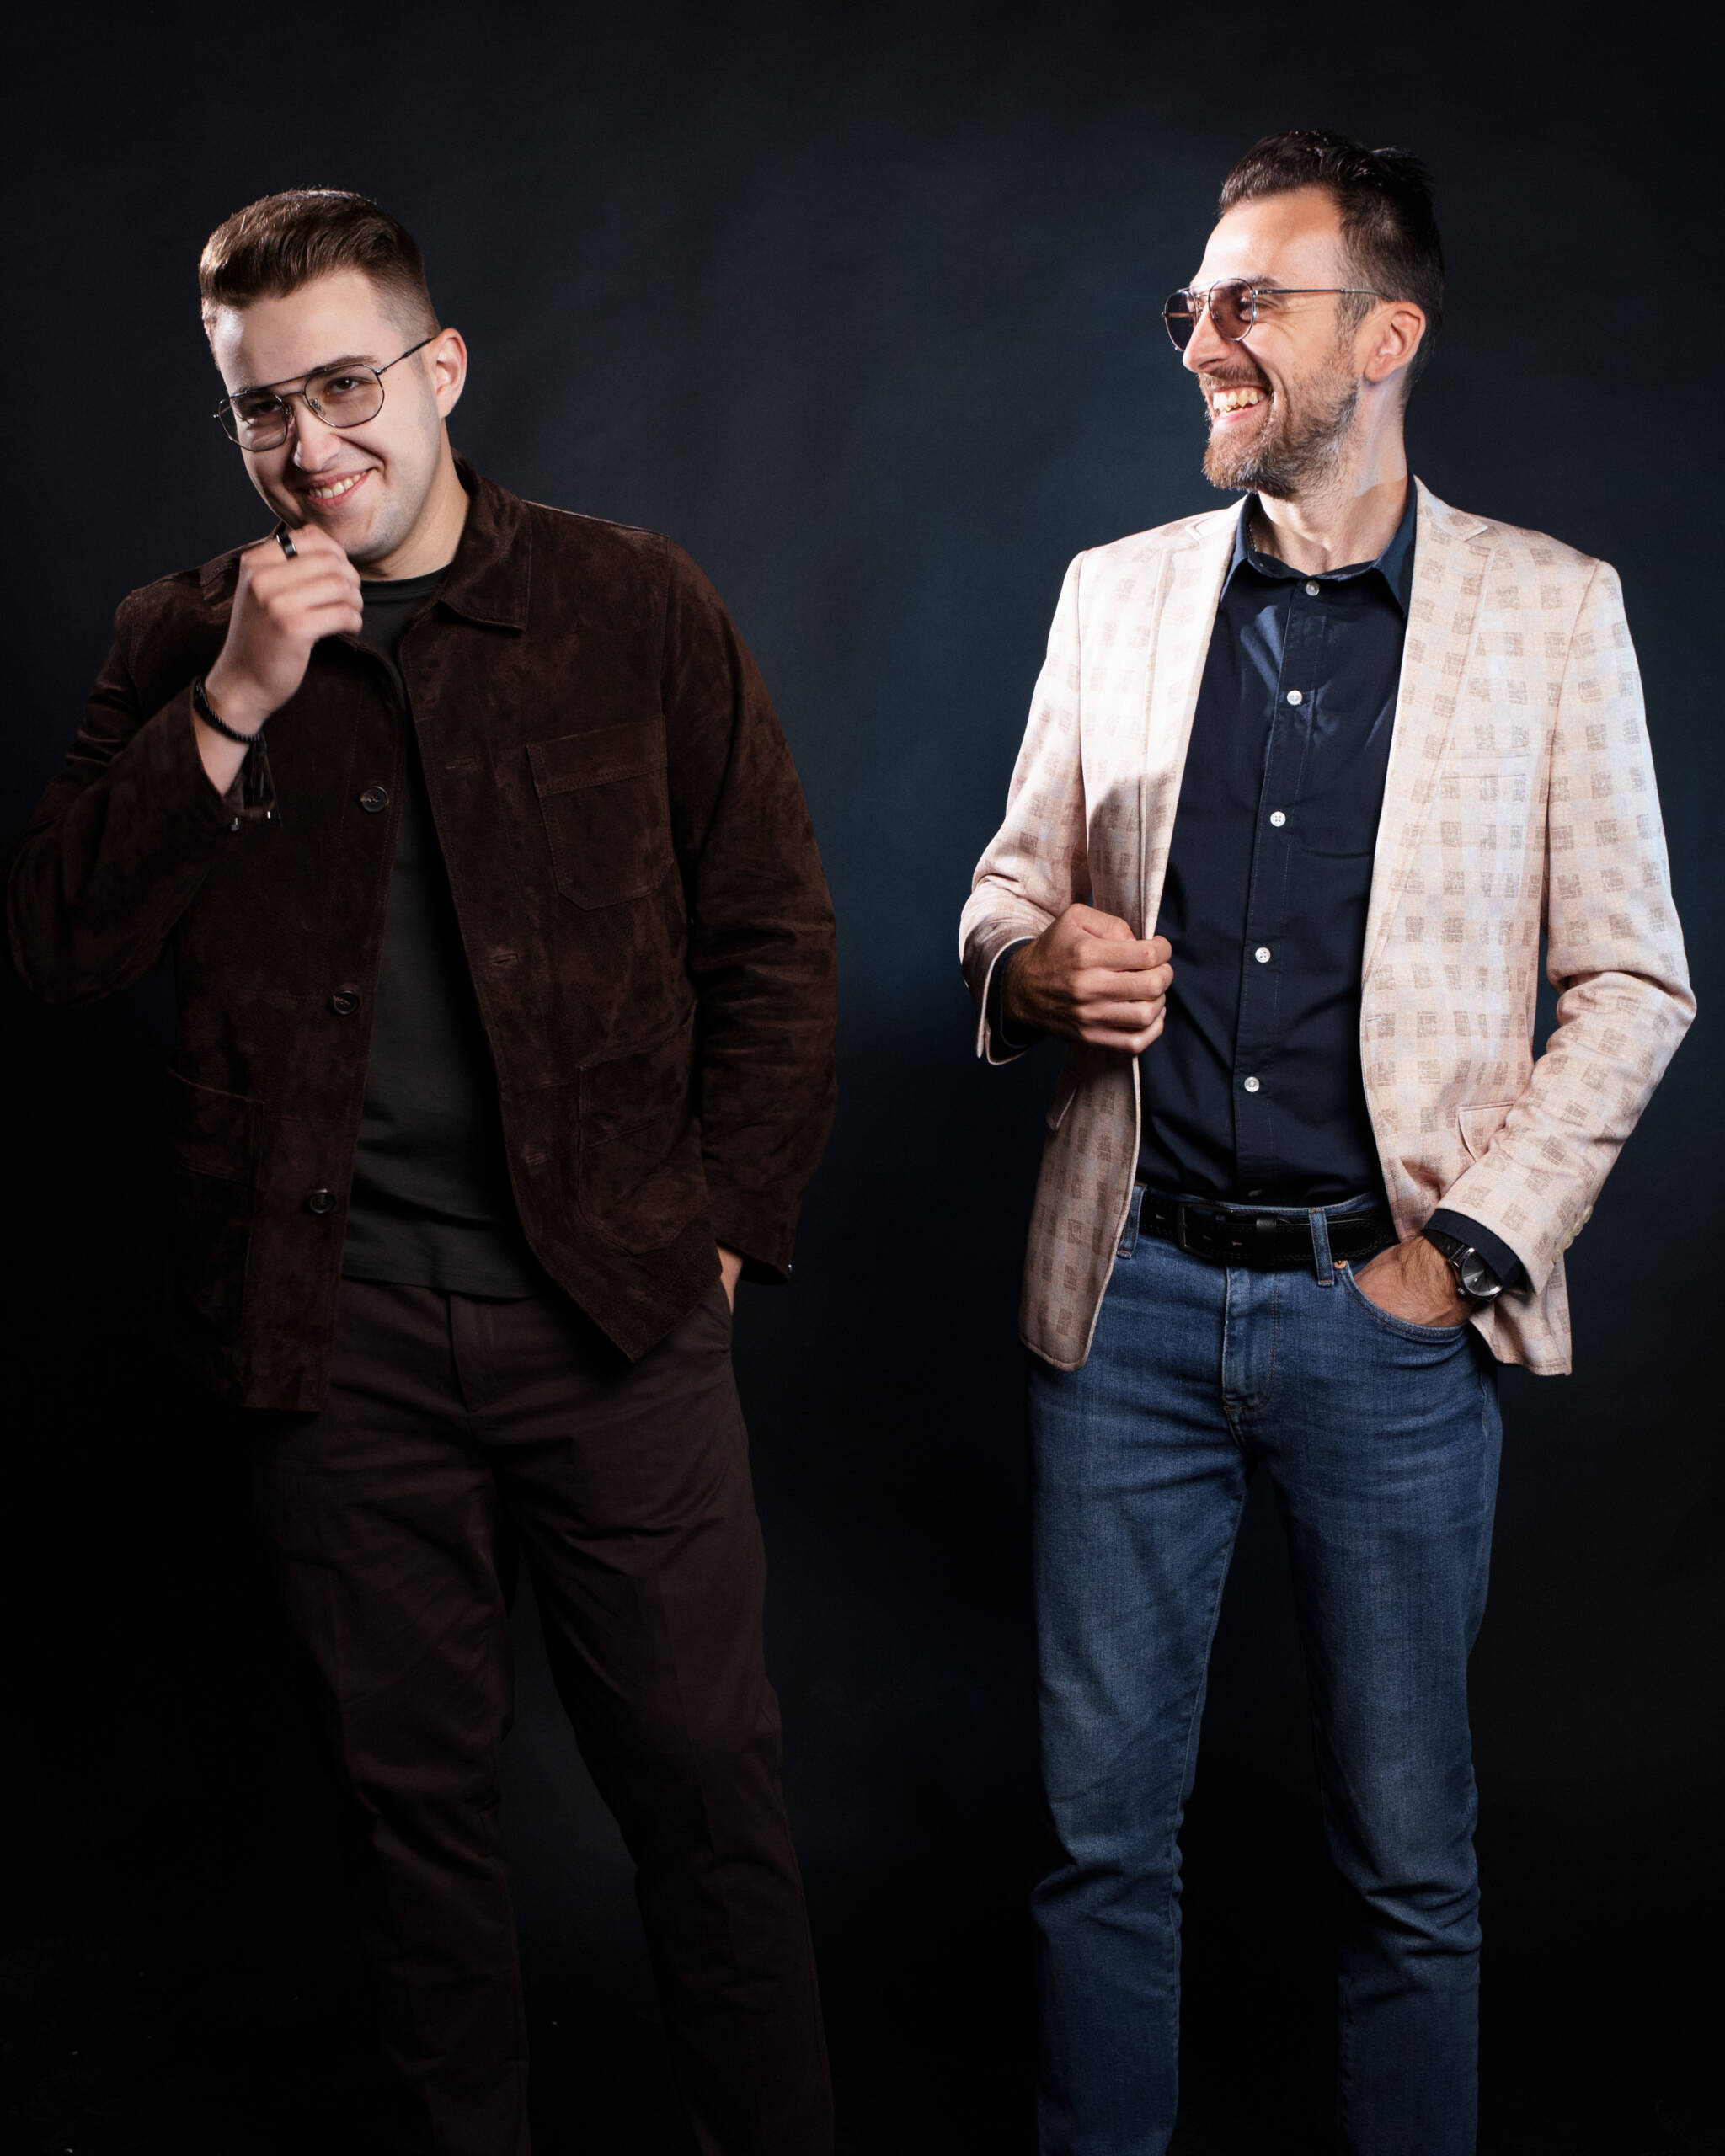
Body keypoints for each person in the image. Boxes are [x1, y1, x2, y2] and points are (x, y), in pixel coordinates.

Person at [8, 189, 836, 2156]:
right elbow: (56, 945)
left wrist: (718, 1237)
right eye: (261, 407)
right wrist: (230, 705)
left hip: (614, 1317)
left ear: (440, 369)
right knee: (412, 1836)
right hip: (339, 1347)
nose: (310, 445)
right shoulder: (179, 639)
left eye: (346, 387)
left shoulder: (633, 602)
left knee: (708, 1796)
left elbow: (774, 936)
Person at [959, 131, 1692, 2155]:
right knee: (1096, 1848)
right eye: (1189, 303)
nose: (1199, 338)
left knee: (1406, 1863)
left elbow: (1633, 978)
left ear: (1385, 336)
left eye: (1247, 303)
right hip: (1123, 1306)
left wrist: (1459, 1255)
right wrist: (1031, 967)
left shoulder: (1550, 612)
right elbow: (1004, 886)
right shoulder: (1111, 597)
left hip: (1386, 1327)